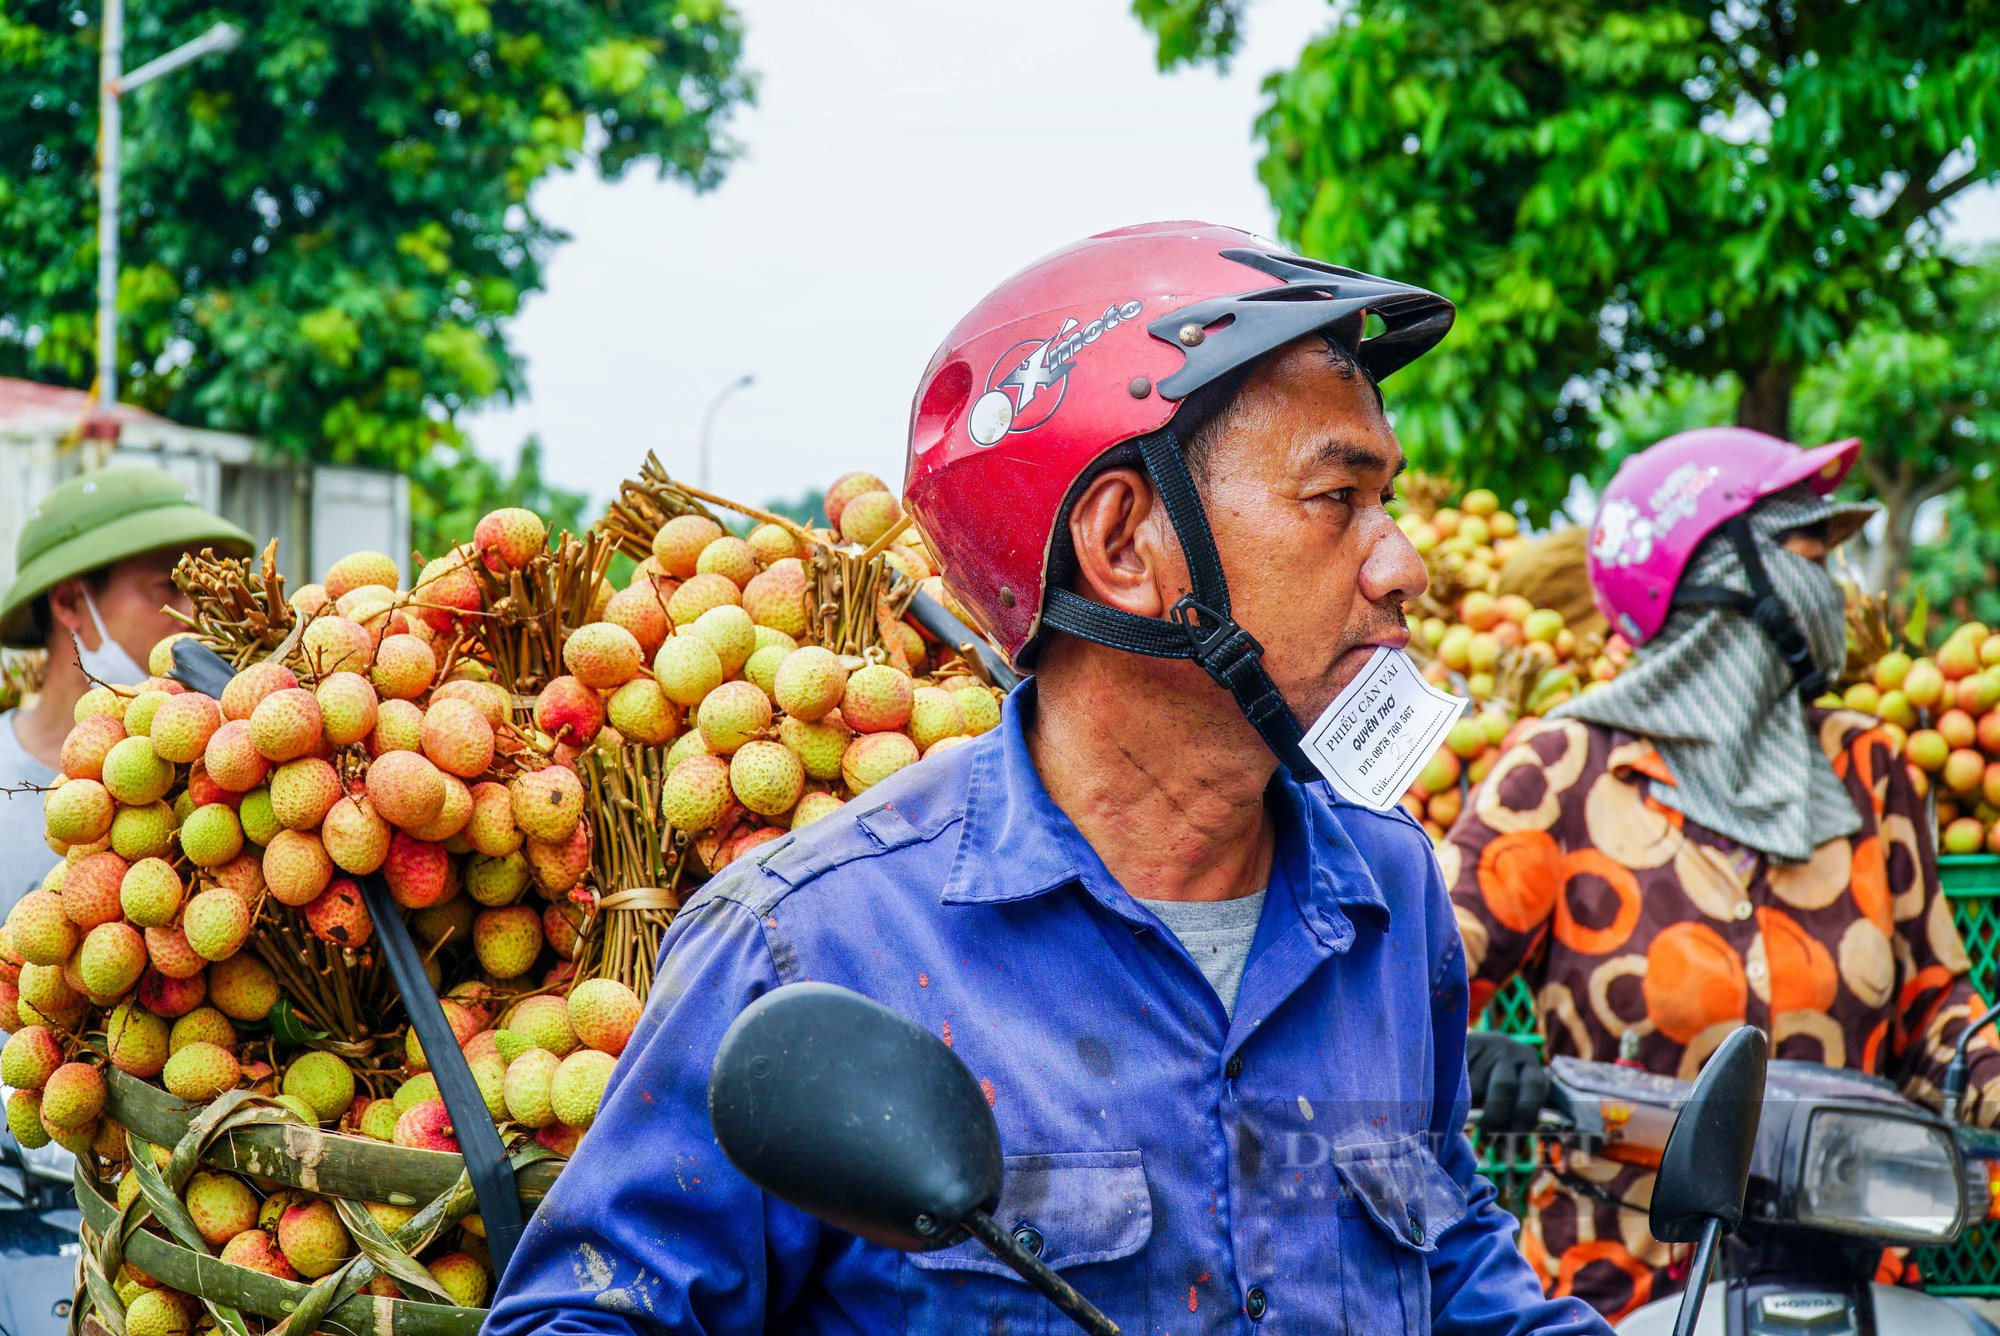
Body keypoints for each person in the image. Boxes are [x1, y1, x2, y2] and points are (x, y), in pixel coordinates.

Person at [484, 223, 1607, 1335]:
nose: (1403, 564)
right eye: (1336, 501)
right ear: (1123, 546)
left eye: (1388, 502)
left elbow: (1453, 1266)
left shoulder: (1388, 892)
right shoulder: (810, 946)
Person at [1446, 428, 1999, 1322]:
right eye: (1812, 556)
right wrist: (1470, 1052)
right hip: (1615, 1295)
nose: (1838, 591)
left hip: (1855, 1280)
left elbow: (1942, 1013)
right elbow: (1412, 986)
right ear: (1720, 572)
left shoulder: (1871, 769)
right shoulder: (1561, 771)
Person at [0, 464, 250, 915]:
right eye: (168, 588)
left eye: (199, 594)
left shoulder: (226, 772)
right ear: (70, 602)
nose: (196, 620)